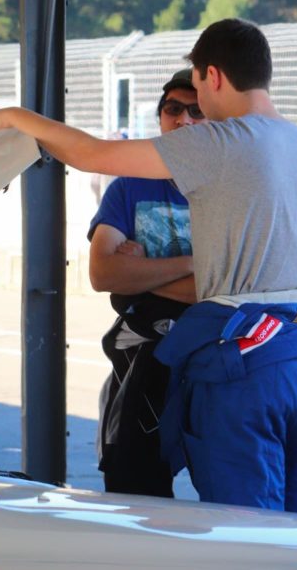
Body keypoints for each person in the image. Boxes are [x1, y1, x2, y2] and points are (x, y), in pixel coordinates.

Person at [0, 18, 297, 516]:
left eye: (197, 88)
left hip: (243, 368)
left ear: (213, 75)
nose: (199, 106)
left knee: (247, 535)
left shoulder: (220, 142)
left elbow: (91, 154)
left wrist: (19, 117)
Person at [88, 68, 205, 497]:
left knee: (234, 499)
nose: (183, 120)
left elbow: (221, 288)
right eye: (172, 109)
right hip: (144, 356)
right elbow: (103, 273)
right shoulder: (128, 188)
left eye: (196, 110)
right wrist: (193, 263)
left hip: (215, 351)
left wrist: (139, 280)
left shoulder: (227, 189)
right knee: (129, 476)